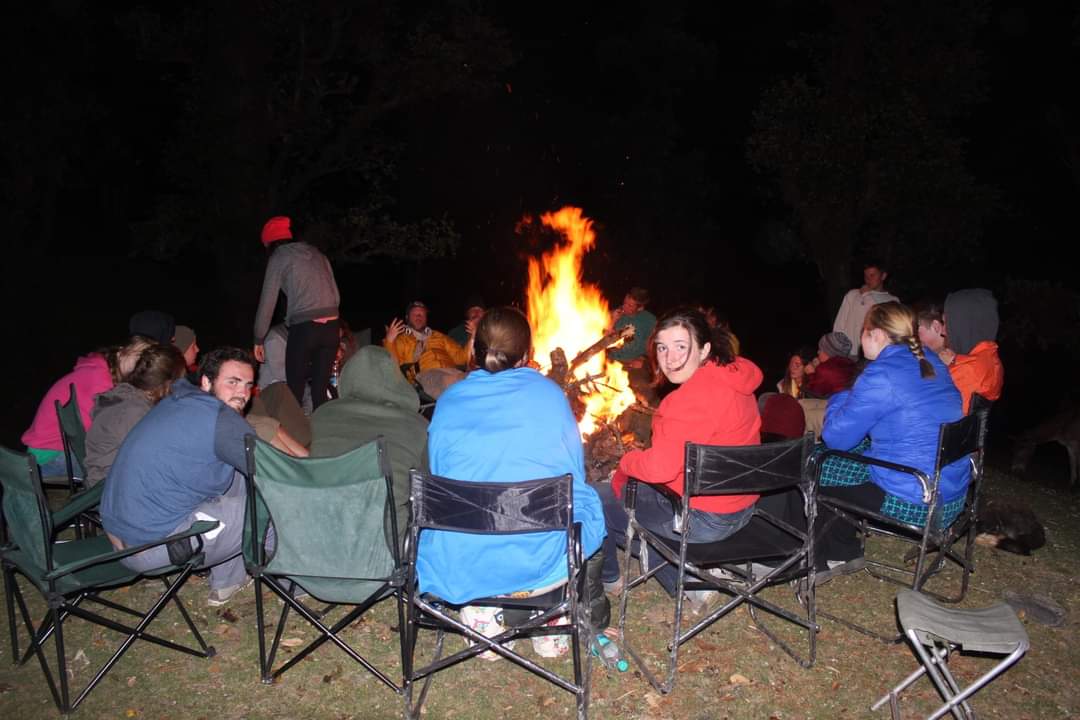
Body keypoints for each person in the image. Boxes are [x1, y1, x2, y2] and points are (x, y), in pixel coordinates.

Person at [416, 306, 610, 652]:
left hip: (464, 558)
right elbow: (573, 479)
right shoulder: (551, 395)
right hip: (544, 558)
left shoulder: (450, 400)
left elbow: (440, 474)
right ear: (528, 354)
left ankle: (484, 607)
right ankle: (549, 609)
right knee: (587, 502)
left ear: (474, 350)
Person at [594, 307, 765, 612]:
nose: (669, 358)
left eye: (681, 347)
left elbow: (659, 468)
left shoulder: (687, 400)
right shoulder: (736, 378)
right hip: (744, 507)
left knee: (598, 499)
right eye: (662, 347)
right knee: (638, 494)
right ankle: (693, 578)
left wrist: (628, 461)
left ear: (705, 349)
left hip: (705, 520)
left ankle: (630, 581)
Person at [100, 347, 263, 606]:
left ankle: (228, 582)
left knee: (241, 479)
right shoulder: (221, 420)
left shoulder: (176, 401)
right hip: (150, 548)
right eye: (232, 382)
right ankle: (297, 582)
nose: (242, 393)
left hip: (119, 538)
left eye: (248, 385)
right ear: (207, 381)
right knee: (268, 505)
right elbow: (275, 476)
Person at [815, 302, 966, 577]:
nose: (861, 341)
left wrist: (838, 396)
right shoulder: (931, 362)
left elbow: (836, 438)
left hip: (916, 497)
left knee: (820, 463)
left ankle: (836, 552)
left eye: (863, 332)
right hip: (952, 492)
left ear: (878, 335)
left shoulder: (882, 372)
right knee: (855, 454)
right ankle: (842, 548)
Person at [309, 346, 430, 547]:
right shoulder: (417, 426)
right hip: (384, 551)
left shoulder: (321, 416)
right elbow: (426, 490)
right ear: (395, 380)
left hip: (317, 544)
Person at [21, 337, 152, 478]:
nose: (139, 362)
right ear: (121, 352)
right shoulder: (100, 380)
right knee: (124, 466)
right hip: (49, 457)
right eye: (138, 355)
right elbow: (111, 435)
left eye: (145, 360)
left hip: (43, 451)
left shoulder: (99, 369)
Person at [253, 215, 341, 410]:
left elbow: (268, 300)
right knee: (320, 392)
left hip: (305, 328)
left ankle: (295, 436)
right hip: (332, 328)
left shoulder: (279, 257)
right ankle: (323, 435)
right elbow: (336, 296)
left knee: (294, 391)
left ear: (269, 243)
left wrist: (259, 338)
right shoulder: (318, 254)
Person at [84, 344, 187, 487]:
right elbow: (158, 461)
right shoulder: (133, 411)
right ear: (168, 384)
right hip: (109, 489)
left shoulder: (131, 397)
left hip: (120, 478)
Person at [383, 300, 469, 397]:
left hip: (452, 371)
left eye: (422, 314)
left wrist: (473, 336)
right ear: (407, 318)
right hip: (426, 375)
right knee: (451, 381)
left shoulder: (439, 336)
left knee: (473, 378)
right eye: (415, 314)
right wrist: (389, 341)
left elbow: (461, 358)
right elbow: (392, 367)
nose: (419, 316)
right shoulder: (401, 339)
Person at [939, 288, 1003, 415]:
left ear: (963, 325)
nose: (943, 331)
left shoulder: (967, 370)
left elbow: (937, 410)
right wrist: (954, 362)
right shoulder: (990, 356)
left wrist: (949, 367)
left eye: (947, 323)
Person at [832, 260, 900, 358]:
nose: (868, 279)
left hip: (876, 354)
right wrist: (836, 348)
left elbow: (889, 328)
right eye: (866, 276)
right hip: (848, 353)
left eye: (872, 275)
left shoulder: (892, 300)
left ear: (883, 276)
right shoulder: (853, 294)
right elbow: (839, 324)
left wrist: (867, 295)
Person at [608, 287, 657, 367]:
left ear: (640, 308)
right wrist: (612, 321)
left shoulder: (649, 321)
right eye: (624, 302)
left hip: (633, 365)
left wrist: (643, 359)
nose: (624, 306)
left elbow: (654, 345)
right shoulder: (615, 314)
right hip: (611, 362)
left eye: (630, 305)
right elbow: (603, 340)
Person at [803, 331, 857, 399]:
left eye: (820, 349)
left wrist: (811, 374)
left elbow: (813, 394)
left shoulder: (825, 370)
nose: (818, 352)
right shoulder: (851, 364)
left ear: (829, 352)